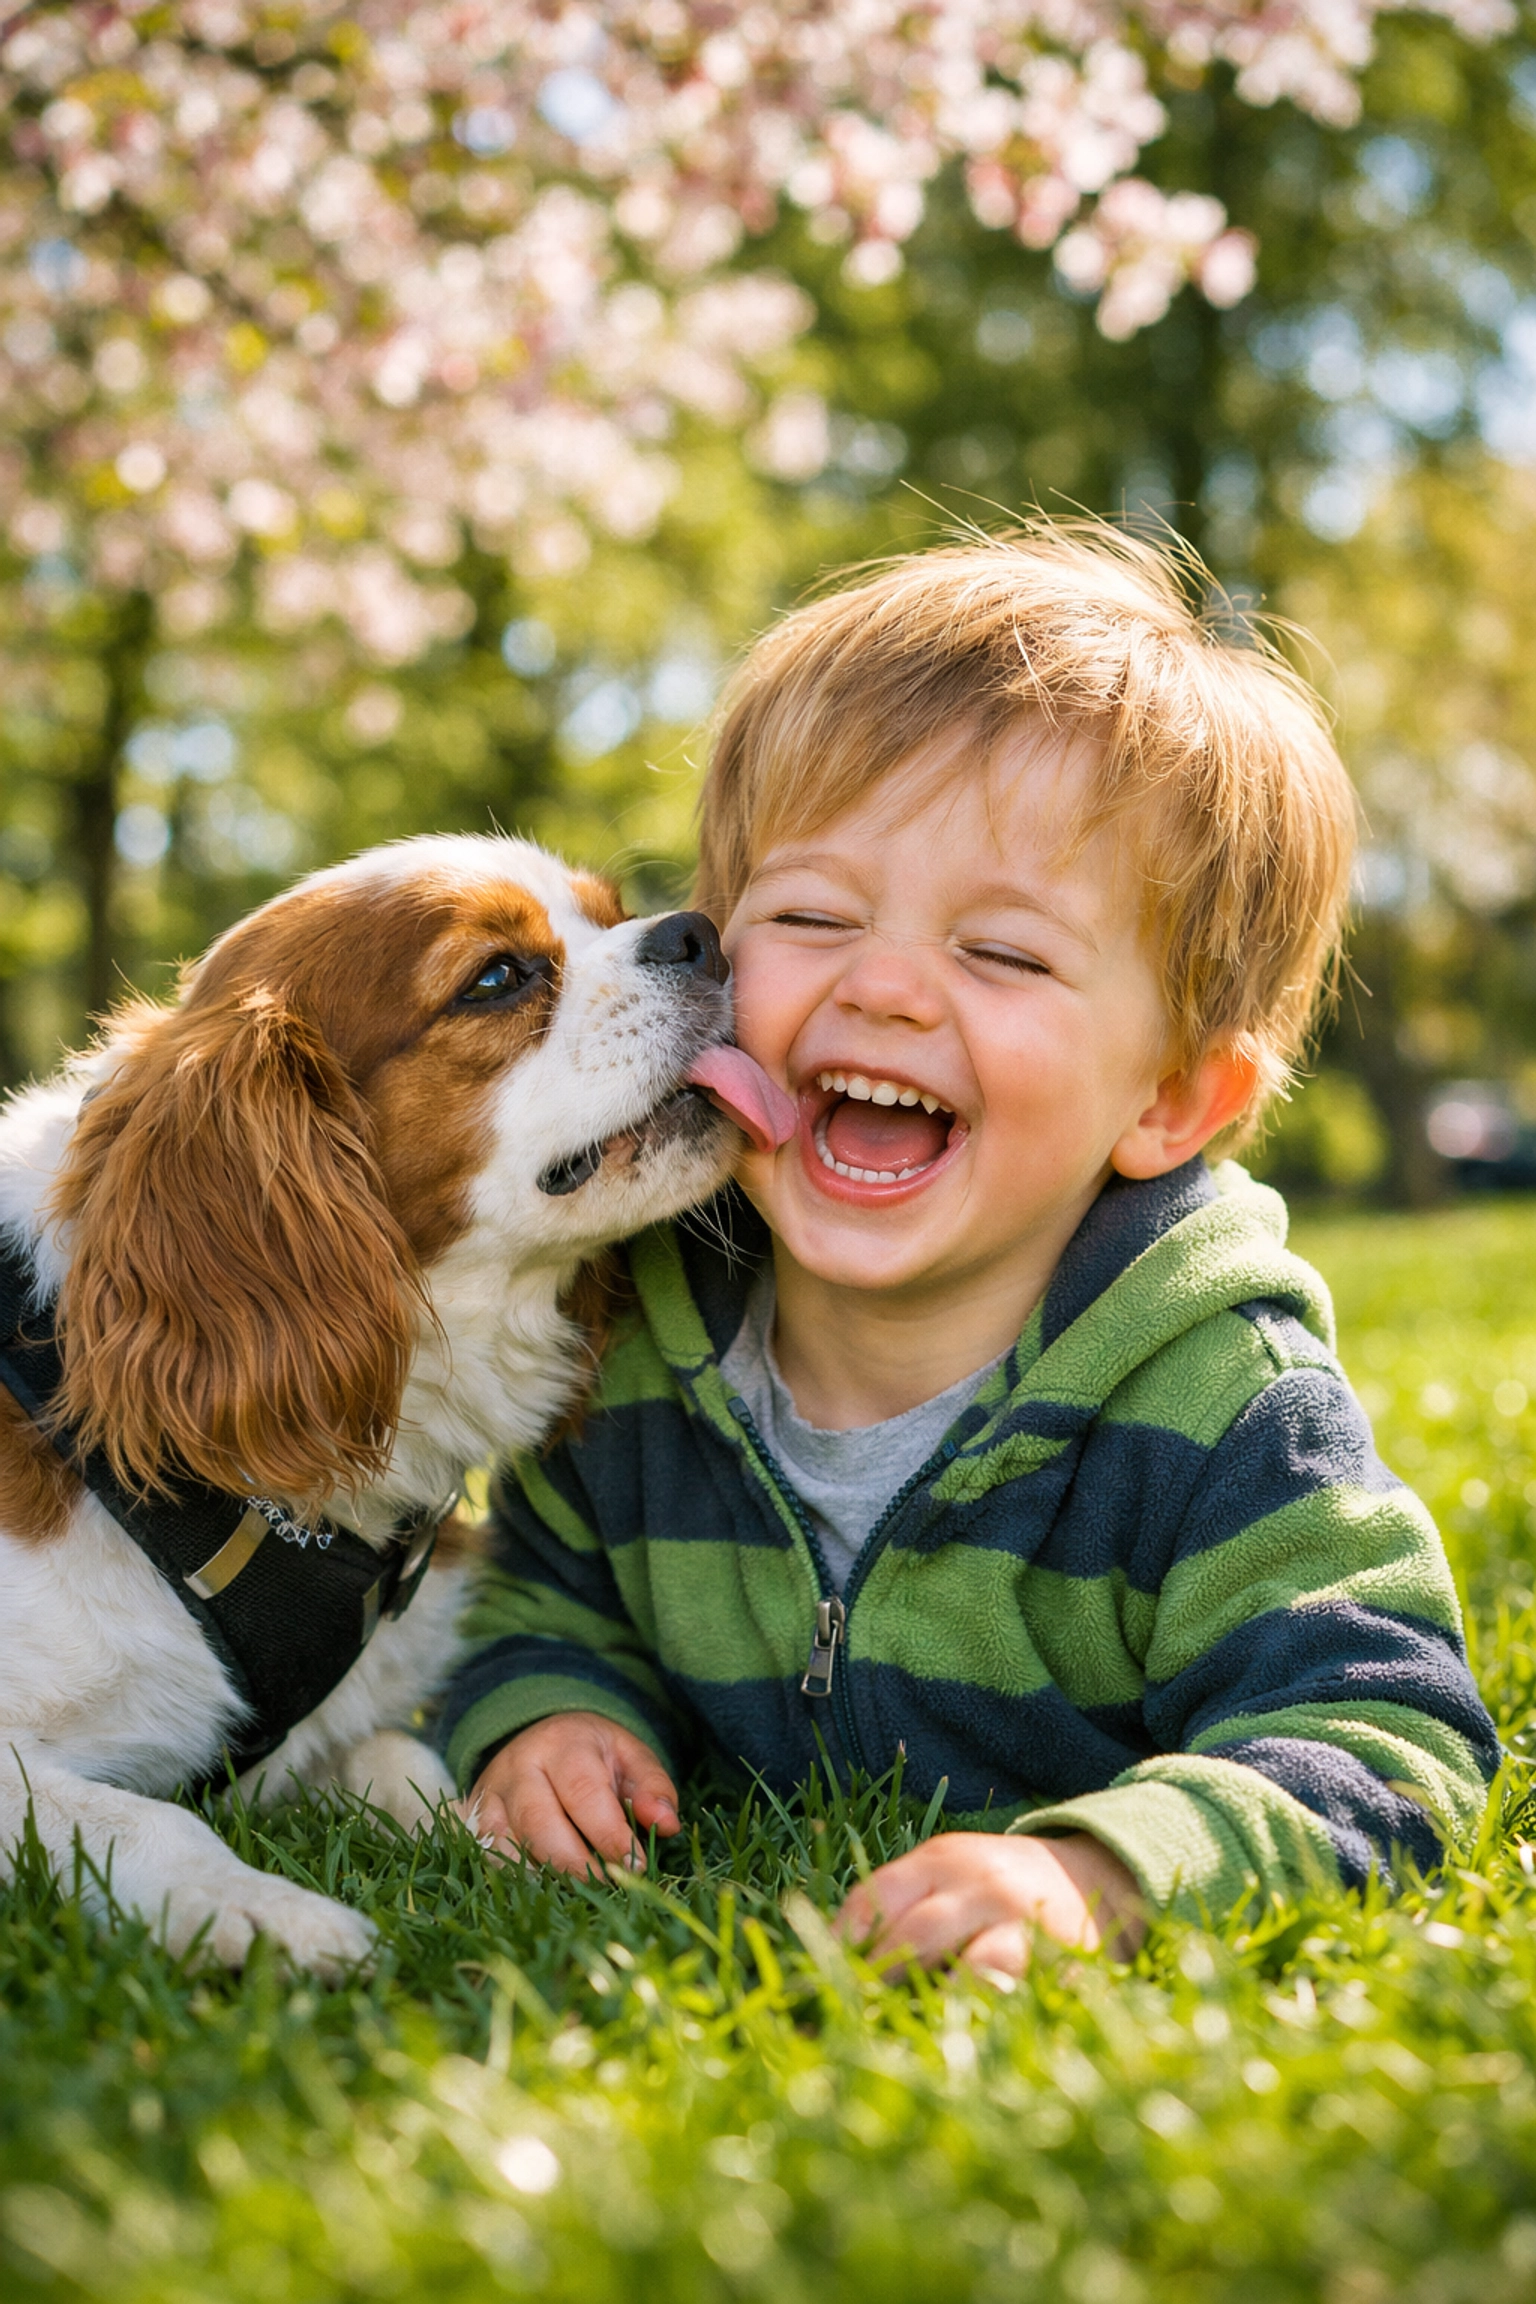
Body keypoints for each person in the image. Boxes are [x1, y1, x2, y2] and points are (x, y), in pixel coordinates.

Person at [442, 523, 1499, 1974]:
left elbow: (1382, 1725)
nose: (883, 986)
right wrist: (554, 1716)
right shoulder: (632, 1333)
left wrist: (1105, 1874)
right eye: (811, 916)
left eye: (1002, 953)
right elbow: (537, 1599)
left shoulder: (1219, 1410)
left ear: (1171, 1099)